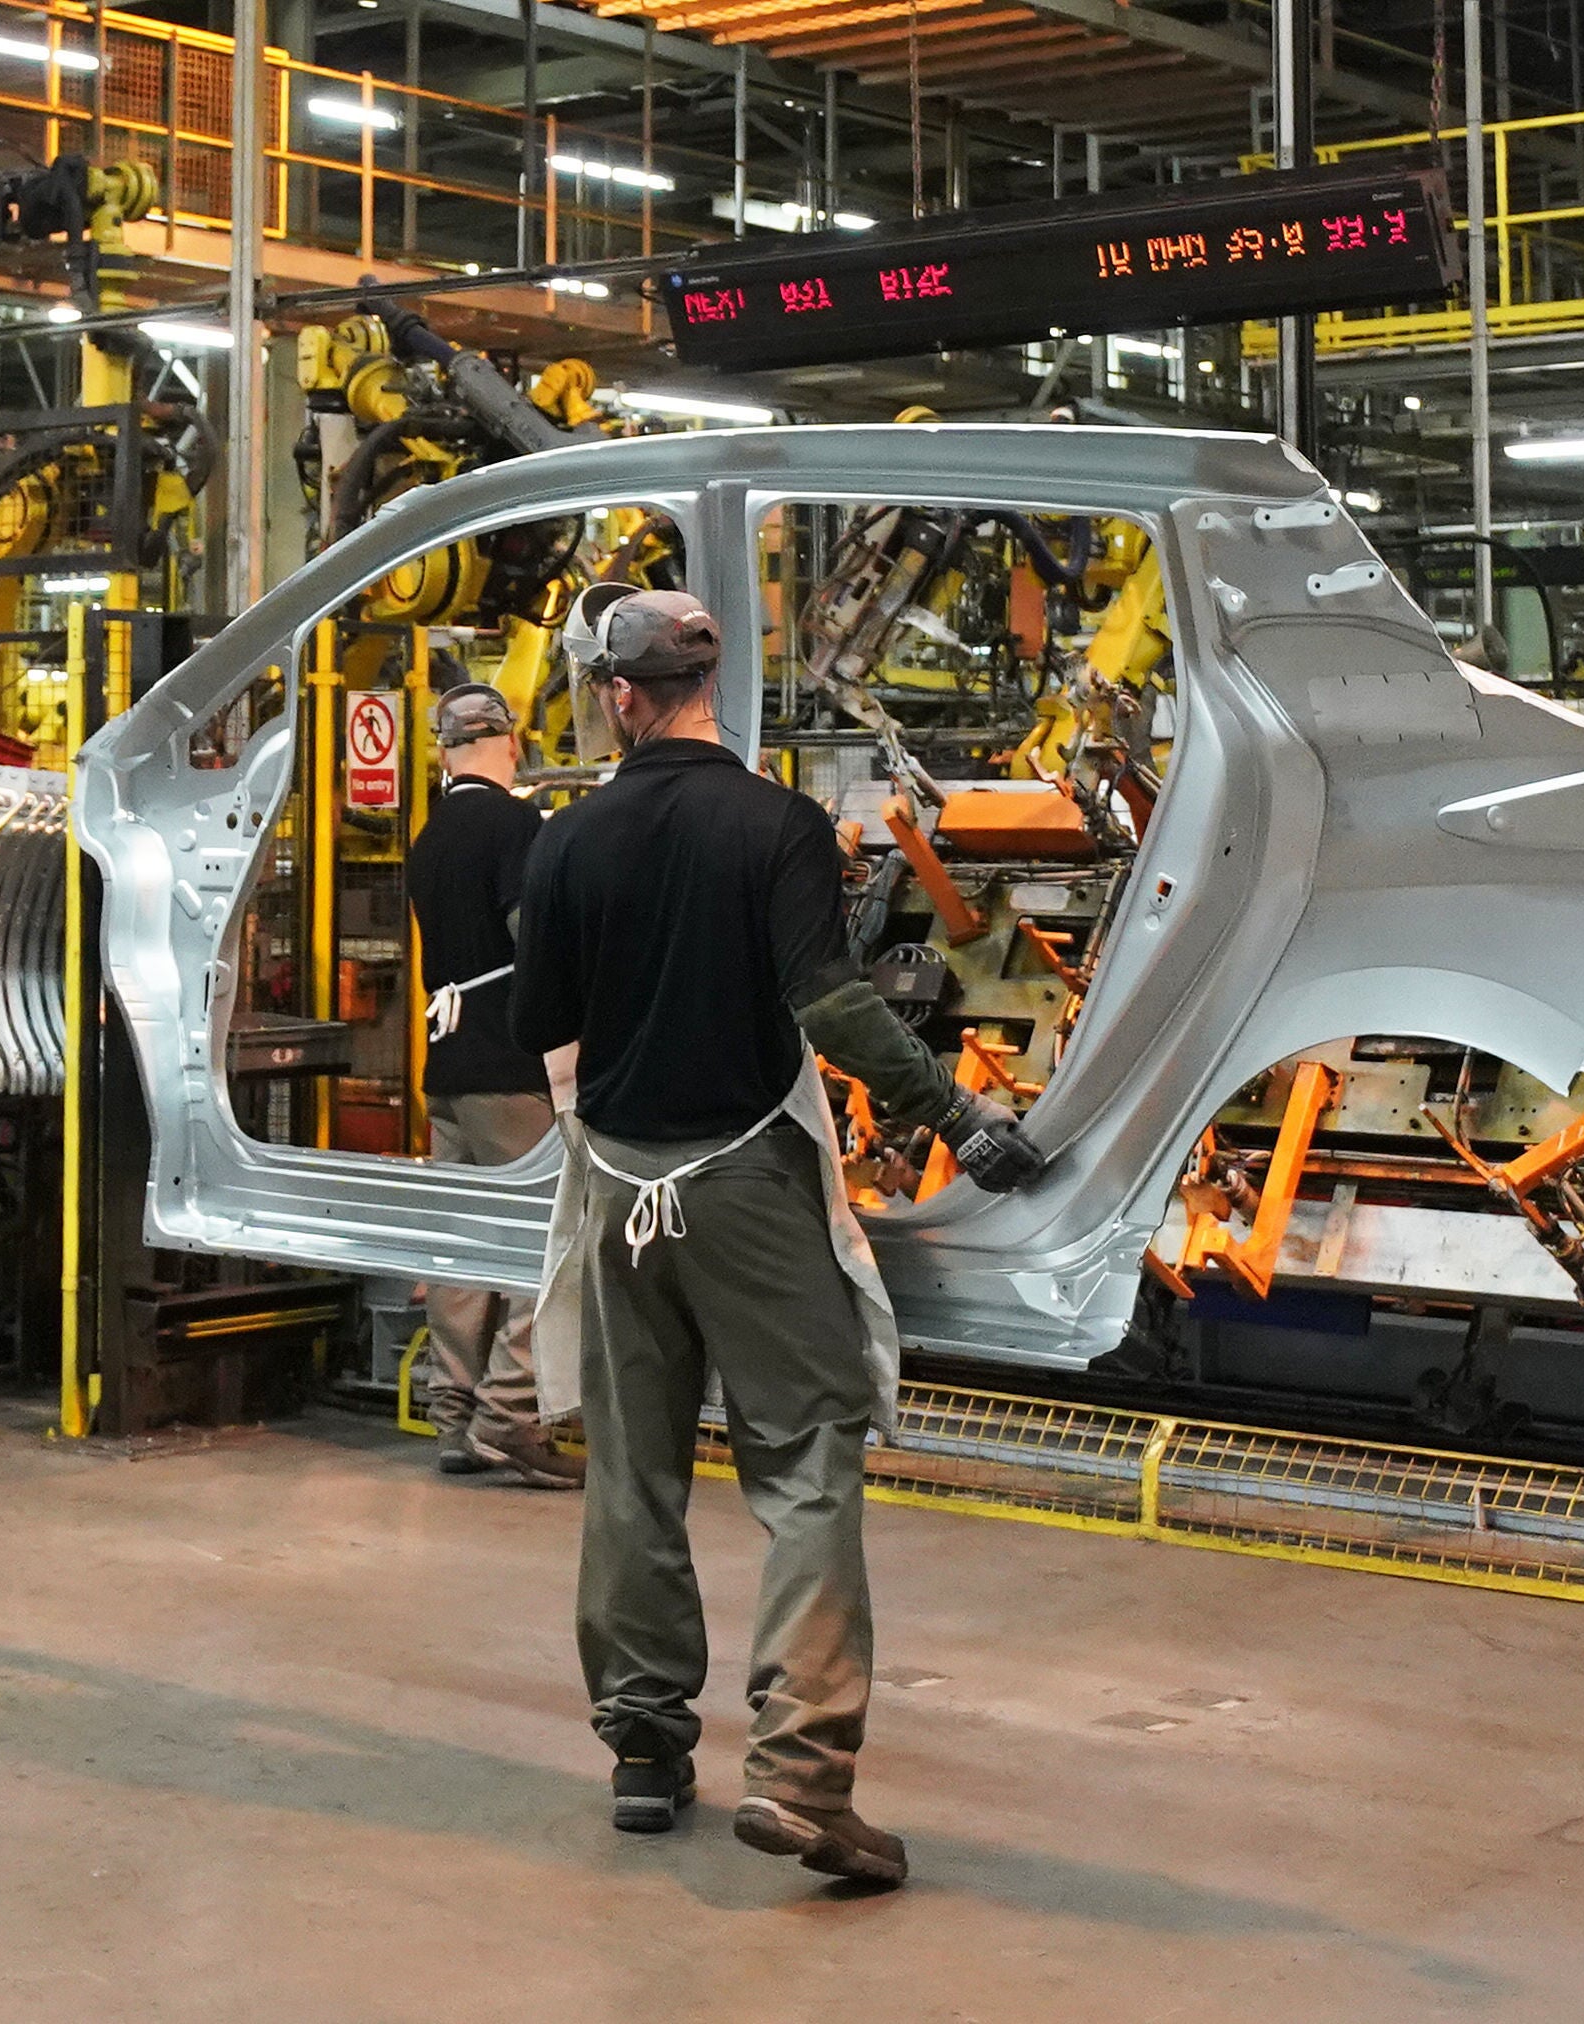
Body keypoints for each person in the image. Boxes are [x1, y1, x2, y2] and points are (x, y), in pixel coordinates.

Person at [511, 582, 1045, 1889]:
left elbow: (550, 1035)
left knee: (632, 1469)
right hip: (747, 1183)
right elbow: (837, 1010)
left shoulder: (568, 842)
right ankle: (802, 1780)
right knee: (805, 1467)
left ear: (619, 696)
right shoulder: (780, 826)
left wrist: (609, 1149)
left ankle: (644, 1754)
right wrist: (960, 1118)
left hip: (620, 1193)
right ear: (708, 687)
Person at [404, 679, 579, 1491]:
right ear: (508, 743)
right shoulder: (515, 824)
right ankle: (510, 1417)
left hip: (446, 1065)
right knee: (537, 1239)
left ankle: (454, 1413)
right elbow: (529, 934)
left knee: (460, 1244)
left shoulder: (429, 836)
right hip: (512, 1066)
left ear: (445, 751)